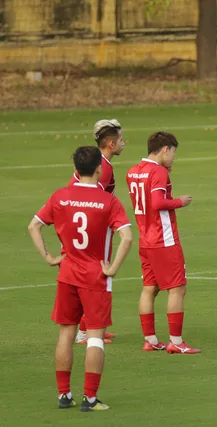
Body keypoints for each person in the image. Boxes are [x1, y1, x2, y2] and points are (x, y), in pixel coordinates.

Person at [28, 146, 132, 411]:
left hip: (67, 275)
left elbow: (34, 226)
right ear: (99, 168)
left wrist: (50, 258)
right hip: (96, 278)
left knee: (66, 334)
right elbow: (127, 237)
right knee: (95, 337)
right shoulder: (108, 201)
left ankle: (64, 396)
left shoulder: (60, 196)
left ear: (76, 170)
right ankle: (90, 398)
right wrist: (112, 268)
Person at [126, 132, 200, 354]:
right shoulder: (158, 172)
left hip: (145, 239)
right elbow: (158, 203)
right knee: (177, 289)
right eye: (173, 152)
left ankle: (150, 340)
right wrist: (180, 201)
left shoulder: (133, 171)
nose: (174, 157)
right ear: (165, 149)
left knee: (150, 288)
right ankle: (176, 342)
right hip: (164, 239)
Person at [71, 119, 125, 345]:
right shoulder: (102, 169)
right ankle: (86, 331)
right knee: (100, 276)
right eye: (121, 140)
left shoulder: (97, 162)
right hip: (95, 229)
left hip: (86, 225)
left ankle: (94, 325)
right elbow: (93, 199)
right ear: (111, 144)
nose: (124, 143)